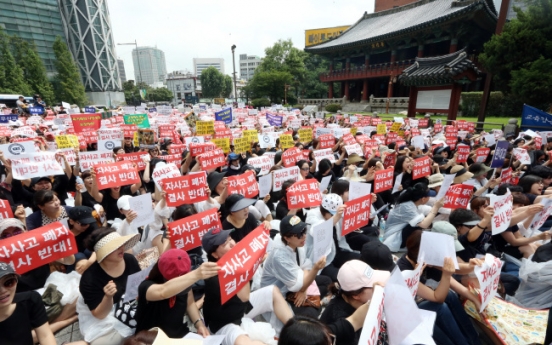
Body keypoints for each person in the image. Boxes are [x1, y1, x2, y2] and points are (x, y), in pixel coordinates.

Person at [201, 228, 293, 345]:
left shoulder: (235, 260)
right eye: (225, 244)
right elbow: (244, 296)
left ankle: (294, 329)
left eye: (231, 239)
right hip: (224, 324)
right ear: (214, 254)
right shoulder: (213, 275)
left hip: (241, 309)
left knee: (272, 291)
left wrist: (263, 229)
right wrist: (245, 262)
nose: (232, 244)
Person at [134, 248, 219, 337]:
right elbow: (163, 292)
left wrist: (199, 324)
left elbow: (190, 303)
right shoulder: (146, 286)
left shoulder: (186, 281)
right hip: (151, 338)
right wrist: (196, 274)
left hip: (179, 335)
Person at [77, 227, 141, 344]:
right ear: (103, 253)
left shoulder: (130, 260)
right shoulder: (89, 279)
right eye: (115, 247)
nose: (121, 249)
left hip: (131, 303)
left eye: (121, 244)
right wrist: (108, 297)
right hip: (106, 315)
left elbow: (137, 286)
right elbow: (99, 315)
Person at [261, 215, 329, 318]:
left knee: (326, 281)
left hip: (296, 283)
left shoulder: (298, 244)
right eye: (299, 234)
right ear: (287, 238)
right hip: (281, 293)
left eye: (304, 230)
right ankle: (317, 304)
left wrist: (304, 289)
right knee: (312, 313)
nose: (304, 236)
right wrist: (315, 269)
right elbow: (299, 284)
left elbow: (306, 265)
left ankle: (317, 303)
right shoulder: (280, 257)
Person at [320, 260, 390, 345]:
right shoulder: (341, 321)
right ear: (356, 295)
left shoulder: (359, 302)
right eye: (373, 285)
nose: (380, 285)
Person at [0, 262, 56, 345]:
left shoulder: (30, 300)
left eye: (9, 282)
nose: (2, 290)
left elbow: (45, 336)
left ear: (16, 280)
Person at [383, 183, 444, 252]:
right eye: (429, 196)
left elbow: (428, 210)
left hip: (398, 232)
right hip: (393, 239)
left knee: (422, 219)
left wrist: (440, 207)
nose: (430, 198)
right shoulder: (407, 207)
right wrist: (436, 207)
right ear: (423, 199)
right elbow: (424, 224)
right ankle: (411, 246)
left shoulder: (412, 201)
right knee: (418, 224)